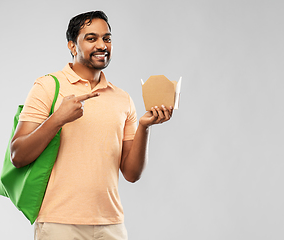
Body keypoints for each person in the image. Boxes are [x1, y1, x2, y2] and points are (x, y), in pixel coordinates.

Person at [10, 10, 173, 240]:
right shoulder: (47, 87)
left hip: (111, 225)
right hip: (59, 224)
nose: (102, 45)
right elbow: (18, 155)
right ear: (72, 46)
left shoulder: (123, 99)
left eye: (107, 38)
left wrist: (145, 127)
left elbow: (132, 173)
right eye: (91, 38)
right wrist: (58, 118)